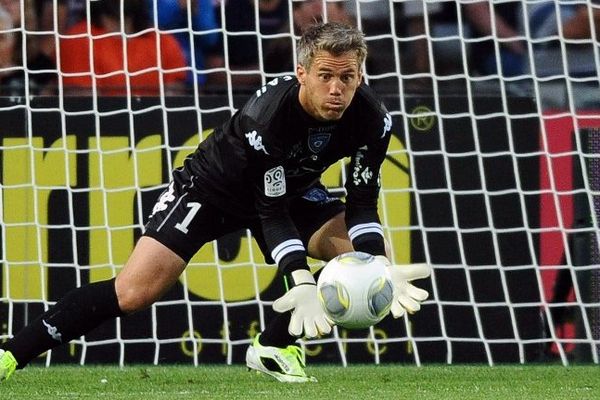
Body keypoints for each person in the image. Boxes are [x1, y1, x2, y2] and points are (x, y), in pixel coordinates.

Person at [0, 22, 431, 384]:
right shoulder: (268, 116)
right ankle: (11, 353)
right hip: (211, 188)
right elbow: (271, 212)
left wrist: (376, 266)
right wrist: (299, 279)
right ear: (301, 73)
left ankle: (273, 347)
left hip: (293, 188)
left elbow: (361, 204)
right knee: (133, 292)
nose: (336, 89)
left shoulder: (373, 120)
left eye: (347, 77)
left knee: (367, 257)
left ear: (360, 76)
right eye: (325, 76)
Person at [59, 0, 187, 96]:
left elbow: (172, 107)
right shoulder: (79, 39)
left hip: (156, 130)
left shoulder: (164, 42)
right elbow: (84, 110)